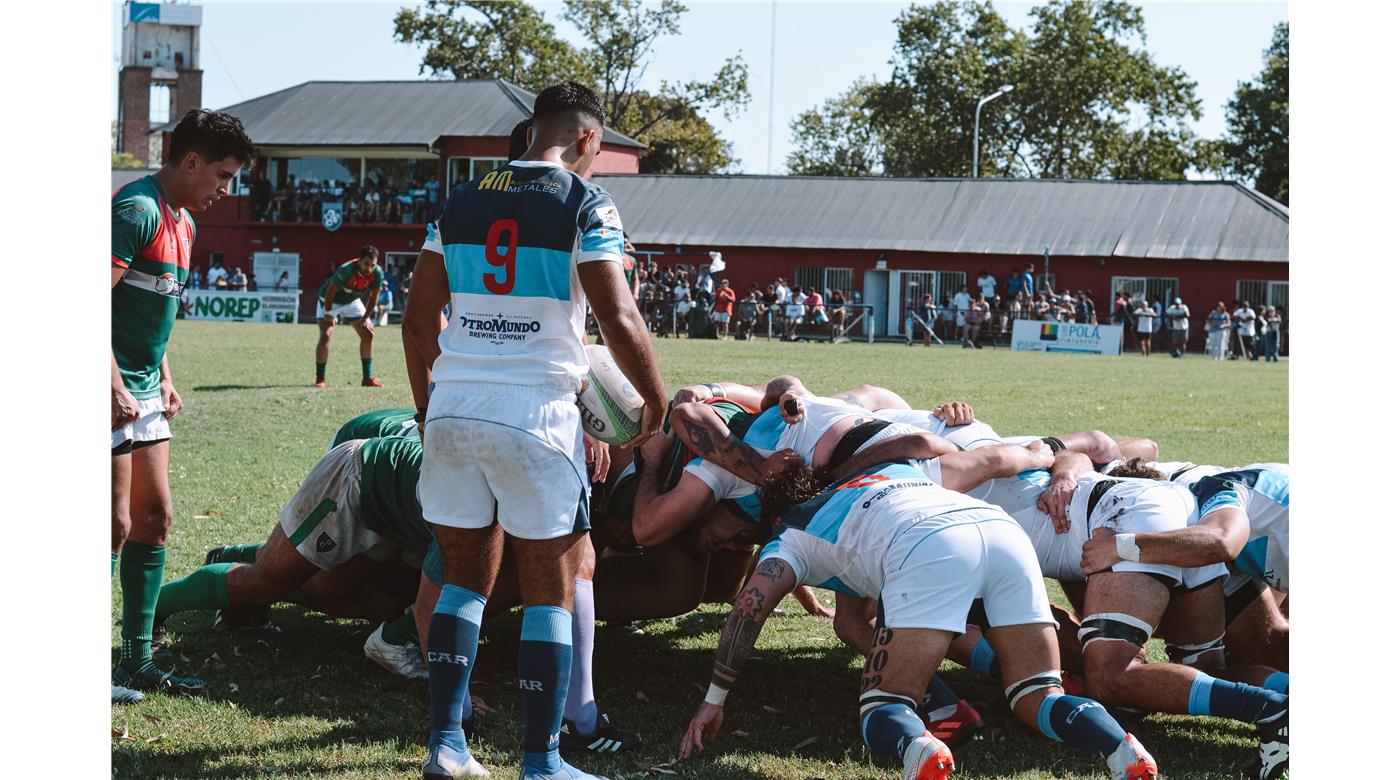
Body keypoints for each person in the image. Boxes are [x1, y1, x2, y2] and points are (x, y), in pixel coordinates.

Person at [402, 81, 667, 780]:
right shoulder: (586, 201)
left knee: (464, 583)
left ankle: (446, 747)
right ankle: (541, 762)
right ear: (587, 140)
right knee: (550, 588)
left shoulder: (460, 199)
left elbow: (417, 316)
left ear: (531, 131)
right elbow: (620, 317)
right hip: (537, 414)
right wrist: (656, 404)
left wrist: (433, 404)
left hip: (455, 407)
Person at [677, 458, 1161, 780]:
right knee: (1038, 694)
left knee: (884, 706)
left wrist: (713, 699)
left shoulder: (789, 534)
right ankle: (1121, 748)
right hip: (999, 530)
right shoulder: (885, 474)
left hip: (929, 544)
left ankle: (921, 751)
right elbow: (854, 609)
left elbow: (749, 609)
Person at [111, 108, 255, 704]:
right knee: (112, 524)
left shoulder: (185, 223)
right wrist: (109, 380)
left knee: (155, 520)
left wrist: (165, 378)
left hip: (143, 387)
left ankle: (136, 662)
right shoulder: (136, 209)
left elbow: (158, 318)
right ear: (189, 160)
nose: (226, 190)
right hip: (106, 383)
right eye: (221, 176)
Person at [315, 245, 385, 388]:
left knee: (368, 334)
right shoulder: (346, 271)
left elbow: (374, 298)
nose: (369, 269)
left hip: (352, 300)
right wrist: (328, 313)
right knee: (326, 335)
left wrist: (365, 318)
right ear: (359, 261)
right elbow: (330, 292)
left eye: (373, 265)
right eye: (366, 264)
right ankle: (320, 378)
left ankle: (367, 378)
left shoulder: (377, 273)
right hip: (330, 301)